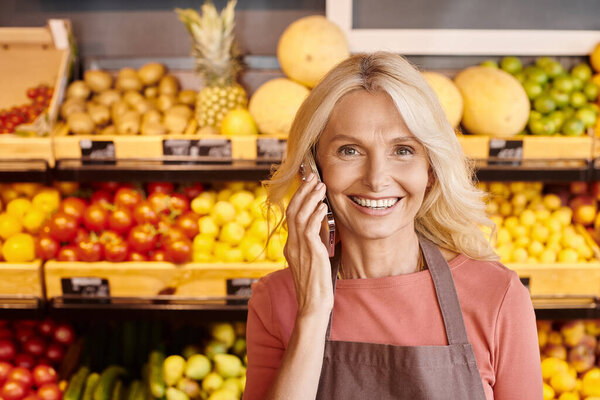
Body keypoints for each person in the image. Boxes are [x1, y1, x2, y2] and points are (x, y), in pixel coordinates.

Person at [243, 52, 542, 399]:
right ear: (312, 169)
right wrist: (312, 313)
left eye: (402, 150)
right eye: (349, 151)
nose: (376, 179)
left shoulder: (498, 296)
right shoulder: (276, 301)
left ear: (430, 170)